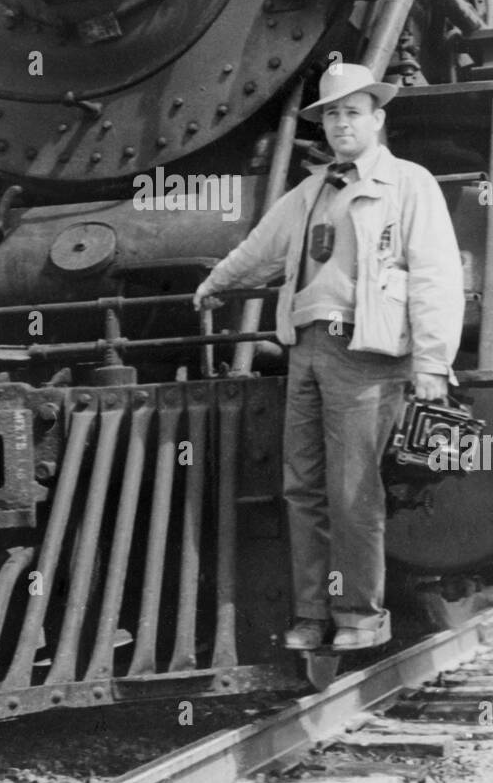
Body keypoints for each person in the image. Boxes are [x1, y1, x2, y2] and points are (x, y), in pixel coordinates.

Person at [194, 63, 464, 651]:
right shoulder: (309, 191)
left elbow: (436, 276)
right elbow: (260, 249)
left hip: (366, 349)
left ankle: (360, 615)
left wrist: (432, 364)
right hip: (307, 348)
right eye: (333, 114)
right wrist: (216, 282)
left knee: (353, 490)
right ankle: (313, 614)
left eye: (352, 112)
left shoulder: (410, 184)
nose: (342, 123)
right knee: (303, 488)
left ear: (377, 119)